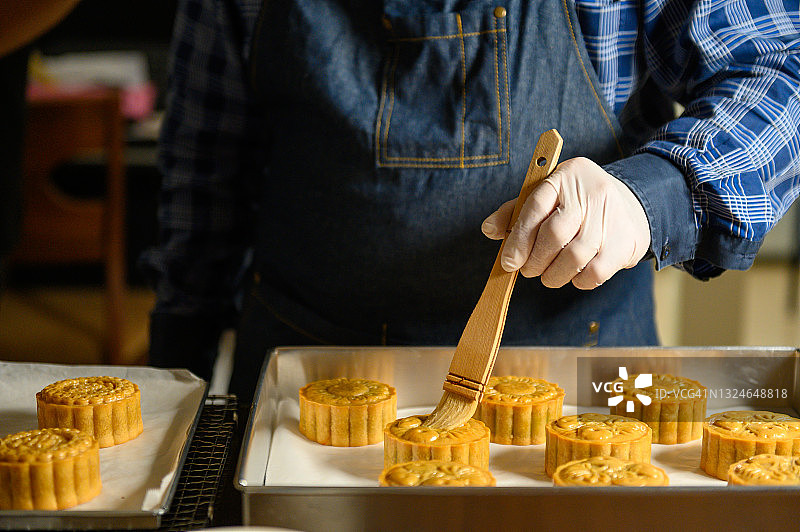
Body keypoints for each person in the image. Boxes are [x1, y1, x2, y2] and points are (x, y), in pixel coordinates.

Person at [142, 0, 800, 402]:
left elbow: (780, 66)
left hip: (588, 379)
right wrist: (177, 371)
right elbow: (203, 167)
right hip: (300, 384)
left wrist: (651, 194)